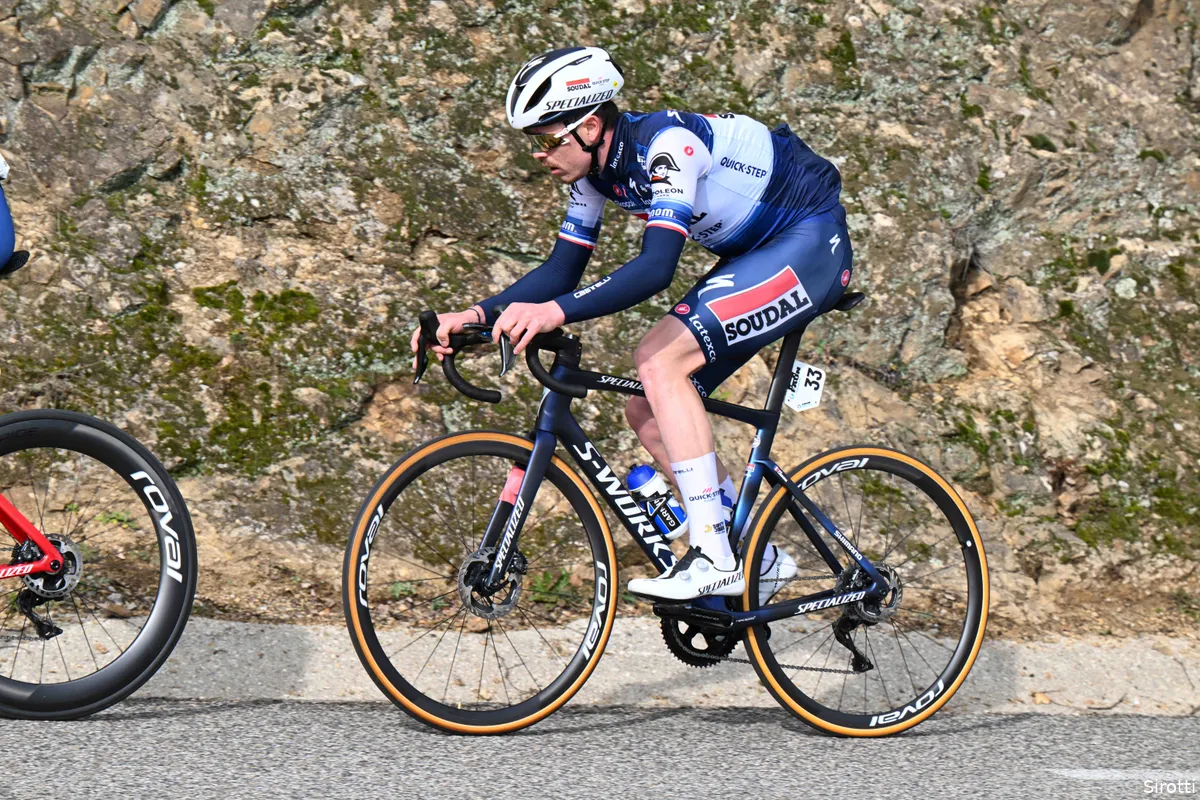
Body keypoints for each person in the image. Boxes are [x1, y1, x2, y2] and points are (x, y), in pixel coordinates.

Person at [410, 46, 853, 601]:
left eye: (548, 139)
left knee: (658, 360)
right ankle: (754, 557)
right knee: (646, 404)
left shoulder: (667, 148)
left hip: (810, 241)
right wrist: (475, 317)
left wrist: (556, 312)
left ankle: (715, 557)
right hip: (756, 254)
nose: (540, 156)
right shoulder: (594, 175)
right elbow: (562, 268)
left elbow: (655, 267)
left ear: (590, 126)